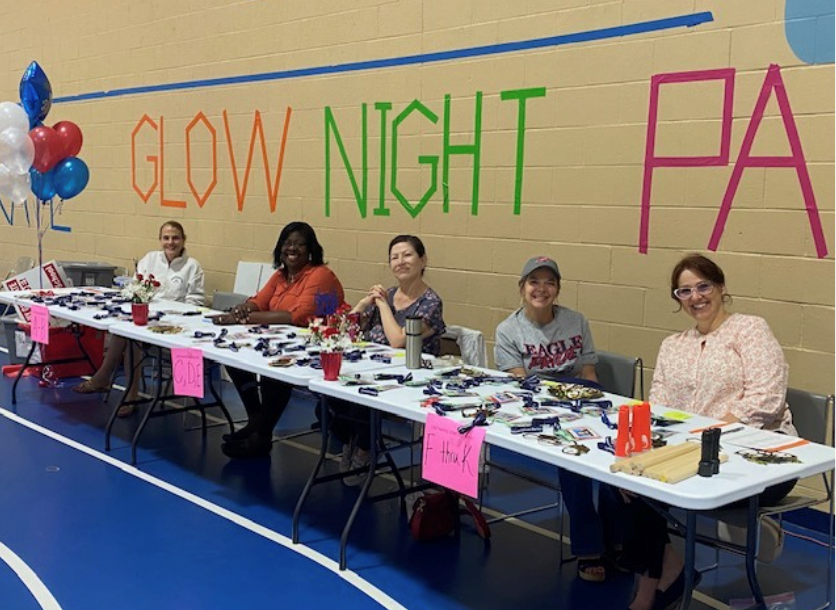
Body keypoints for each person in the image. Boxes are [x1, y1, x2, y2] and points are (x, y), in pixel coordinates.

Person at [622, 253, 796, 610]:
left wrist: (712, 433)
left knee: (645, 491)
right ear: (677, 298)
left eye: (703, 286)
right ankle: (663, 571)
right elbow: (660, 405)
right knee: (626, 482)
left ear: (720, 287)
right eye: (684, 291)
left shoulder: (750, 329)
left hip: (763, 455)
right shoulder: (673, 345)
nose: (696, 297)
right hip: (694, 453)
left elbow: (767, 396)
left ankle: (654, 585)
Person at [494, 256, 622, 583]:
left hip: (580, 398)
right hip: (538, 408)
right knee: (574, 460)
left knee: (616, 453)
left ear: (558, 289)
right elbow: (522, 385)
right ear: (522, 288)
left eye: (549, 282)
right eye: (534, 281)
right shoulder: (508, 330)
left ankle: (618, 538)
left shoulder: (576, 321)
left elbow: (589, 374)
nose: (542, 288)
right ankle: (589, 547)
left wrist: (593, 407)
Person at [212, 221, 345, 459]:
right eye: (287, 243)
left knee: (276, 372)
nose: (292, 248)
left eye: (299, 244)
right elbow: (260, 300)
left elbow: (298, 316)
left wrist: (241, 319)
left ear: (311, 249)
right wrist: (244, 308)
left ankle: (261, 435)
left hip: (317, 347)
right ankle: (255, 420)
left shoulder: (320, 274)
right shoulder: (281, 275)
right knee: (232, 357)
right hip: (279, 341)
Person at [332, 235, 445, 486]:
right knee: (326, 404)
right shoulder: (388, 294)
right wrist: (363, 303)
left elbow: (398, 341)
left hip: (407, 379)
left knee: (362, 402)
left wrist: (382, 305)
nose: (400, 262)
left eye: (407, 255)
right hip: (368, 369)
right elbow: (342, 331)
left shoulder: (430, 303)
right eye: (394, 257)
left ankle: (364, 449)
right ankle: (354, 439)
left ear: (422, 260)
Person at [72, 221, 204, 416]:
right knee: (126, 331)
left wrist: (173, 313)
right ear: (160, 240)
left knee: (132, 338)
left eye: (175, 237)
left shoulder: (192, 266)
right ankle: (119, 388)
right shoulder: (149, 259)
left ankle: (109, 382)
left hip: (173, 326)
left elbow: (197, 301)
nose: (170, 242)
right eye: (166, 238)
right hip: (146, 318)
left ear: (183, 240)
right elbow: (135, 288)